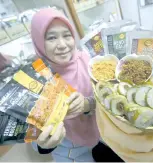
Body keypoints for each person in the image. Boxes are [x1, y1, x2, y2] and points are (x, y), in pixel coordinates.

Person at [30, 8, 124, 162]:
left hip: (106, 139)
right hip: (70, 152)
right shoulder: (35, 78)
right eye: (51, 38)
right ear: (39, 41)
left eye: (67, 35)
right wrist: (44, 143)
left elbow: (110, 97)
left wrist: (88, 104)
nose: (62, 45)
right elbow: (33, 140)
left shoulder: (89, 60)